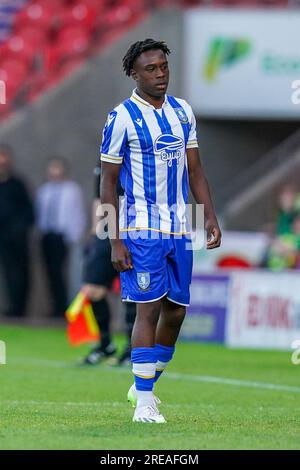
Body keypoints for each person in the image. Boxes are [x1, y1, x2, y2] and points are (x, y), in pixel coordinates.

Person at [100, 39, 221, 423]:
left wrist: (210, 217)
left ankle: (144, 382)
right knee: (147, 310)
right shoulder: (121, 117)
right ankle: (145, 404)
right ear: (134, 74)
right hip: (140, 227)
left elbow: (196, 171)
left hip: (179, 227)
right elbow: (107, 183)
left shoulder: (183, 112)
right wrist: (114, 239)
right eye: (151, 69)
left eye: (163, 67)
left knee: (176, 312)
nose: (160, 74)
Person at [81, 164, 136, 366]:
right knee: (91, 289)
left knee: (132, 289)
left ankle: (132, 349)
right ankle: (105, 345)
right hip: (107, 229)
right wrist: (95, 231)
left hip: (135, 226)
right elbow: (99, 196)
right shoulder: (105, 152)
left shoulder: (139, 147)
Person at [36, 157, 86, 317]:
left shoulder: (72, 190)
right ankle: (56, 307)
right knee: (52, 274)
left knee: (68, 274)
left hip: (65, 236)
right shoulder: (44, 191)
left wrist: (75, 235)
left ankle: (68, 307)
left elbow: (78, 214)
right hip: (48, 235)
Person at [0, 145, 34, 317]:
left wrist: (18, 229)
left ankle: (18, 308)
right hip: (3, 237)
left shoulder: (17, 184)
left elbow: (29, 212)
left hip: (16, 238)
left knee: (19, 274)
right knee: (8, 273)